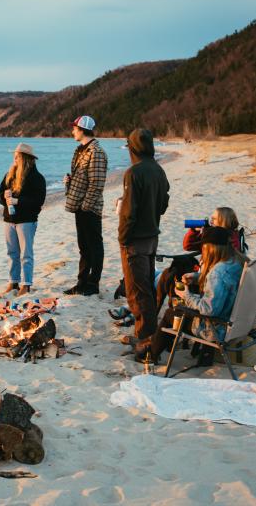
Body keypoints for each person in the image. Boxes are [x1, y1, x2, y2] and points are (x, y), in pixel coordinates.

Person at [148, 225, 244, 365]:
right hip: (237, 323)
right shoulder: (237, 262)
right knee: (181, 309)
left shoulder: (218, 272)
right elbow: (224, 286)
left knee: (172, 313)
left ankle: (151, 355)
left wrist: (186, 295)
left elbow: (209, 309)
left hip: (216, 329)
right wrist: (199, 277)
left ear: (211, 248)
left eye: (204, 248)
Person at [116, 128, 170, 358]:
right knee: (146, 286)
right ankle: (145, 334)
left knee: (137, 292)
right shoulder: (158, 170)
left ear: (133, 149)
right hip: (151, 236)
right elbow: (164, 202)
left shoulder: (134, 173)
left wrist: (123, 237)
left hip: (136, 239)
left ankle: (147, 342)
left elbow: (129, 212)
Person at [63, 116, 108, 296]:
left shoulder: (96, 152)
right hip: (79, 206)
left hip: (89, 208)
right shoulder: (80, 150)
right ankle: (82, 283)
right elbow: (83, 178)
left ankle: (93, 284)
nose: (72, 131)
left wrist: (85, 206)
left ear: (82, 129)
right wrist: (70, 182)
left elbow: (96, 184)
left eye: (74, 128)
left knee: (94, 246)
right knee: (84, 247)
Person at [0, 143, 47, 296]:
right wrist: (3, 197)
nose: (14, 159)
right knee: (12, 253)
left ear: (25, 158)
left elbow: (38, 201)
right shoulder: (9, 174)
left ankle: (26, 284)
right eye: (14, 156)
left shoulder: (37, 178)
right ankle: (14, 282)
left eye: (17, 156)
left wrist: (19, 202)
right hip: (9, 220)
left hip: (27, 221)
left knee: (26, 254)